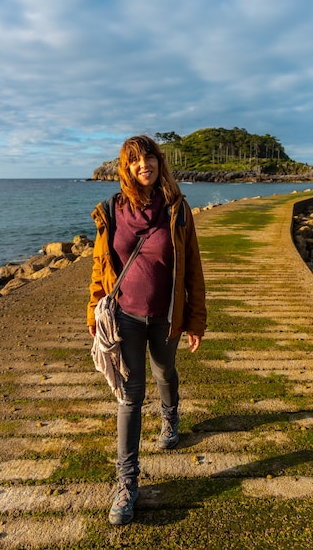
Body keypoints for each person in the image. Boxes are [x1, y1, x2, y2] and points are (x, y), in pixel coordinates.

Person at [87, 135, 206, 526]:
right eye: (135, 159)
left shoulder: (177, 209)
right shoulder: (110, 210)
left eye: (150, 157)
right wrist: (94, 313)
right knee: (130, 395)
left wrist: (195, 318)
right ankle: (127, 483)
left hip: (166, 317)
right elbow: (99, 267)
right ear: (127, 166)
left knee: (164, 372)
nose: (144, 165)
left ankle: (170, 416)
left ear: (159, 163)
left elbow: (193, 269)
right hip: (125, 318)